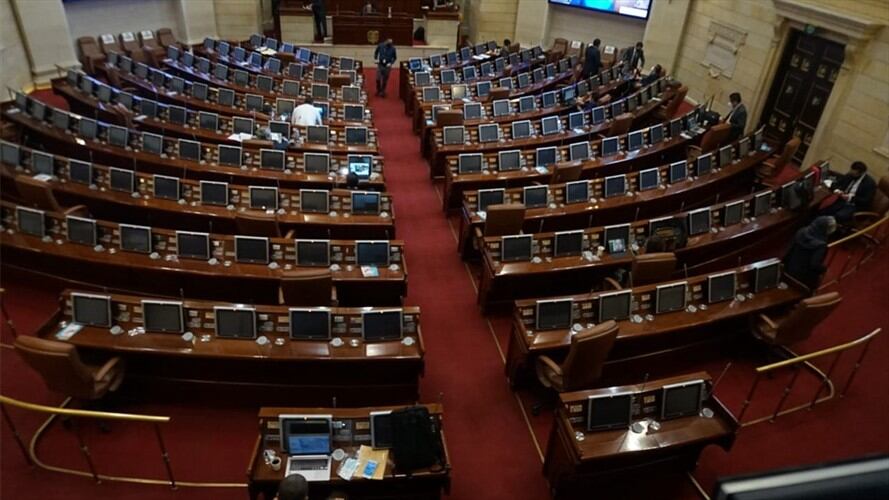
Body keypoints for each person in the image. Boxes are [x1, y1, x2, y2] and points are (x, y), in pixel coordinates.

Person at [782, 216, 836, 291]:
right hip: (803, 279)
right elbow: (814, 265)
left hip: (788, 270)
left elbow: (789, 250)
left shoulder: (801, 231)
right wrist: (824, 269)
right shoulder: (821, 245)